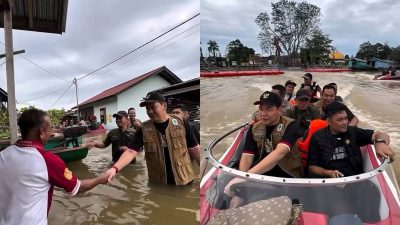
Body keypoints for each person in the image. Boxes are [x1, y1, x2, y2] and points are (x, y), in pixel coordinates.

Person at [0, 109, 109, 225]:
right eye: (50, 129)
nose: (51, 132)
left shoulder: (3, 154)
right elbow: (77, 188)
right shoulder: (47, 160)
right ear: (41, 132)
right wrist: (99, 179)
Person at [307, 101, 395, 222]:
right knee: (340, 214)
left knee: (372, 216)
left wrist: (380, 143)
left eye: (346, 119)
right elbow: (312, 167)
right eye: (339, 120)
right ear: (328, 121)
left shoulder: (353, 132)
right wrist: (327, 173)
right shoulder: (318, 137)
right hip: (331, 185)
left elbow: (380, 134)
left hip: (356, 182)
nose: (344, 122)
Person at [105, 92, 200, 186]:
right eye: (147, 108)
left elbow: (194, 148)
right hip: (158, 184)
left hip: (185, 180)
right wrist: (114, 169)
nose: (150, 111)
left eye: (153, 107)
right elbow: (131, 151)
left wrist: (204, 171)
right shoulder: (143, 128)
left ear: (164, 105)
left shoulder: (181, 122)